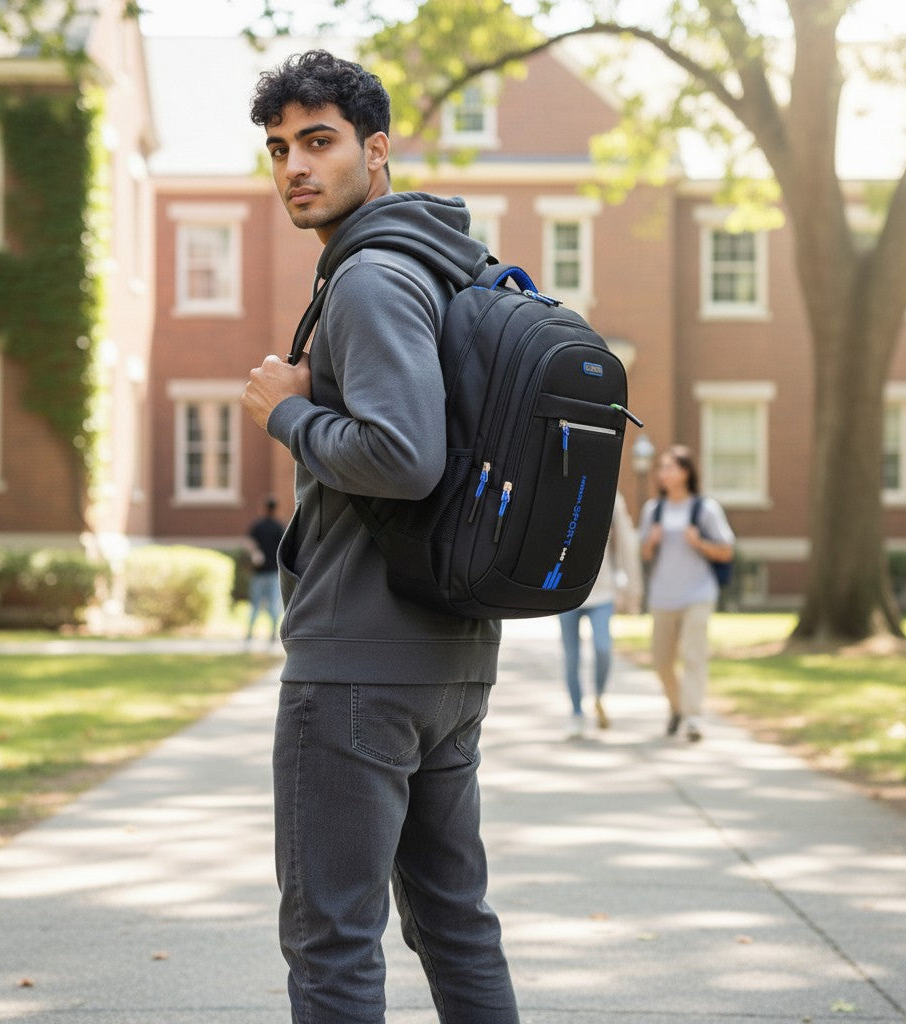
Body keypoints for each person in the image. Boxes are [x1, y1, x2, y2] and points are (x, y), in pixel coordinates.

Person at [241, 50, 518, 1024]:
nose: (293, 169)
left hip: (358, 663)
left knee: (332, 941)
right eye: (277, 149)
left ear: (377, 148)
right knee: (453, 921)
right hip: (448, 652)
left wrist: (285, 410)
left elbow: (405, 457)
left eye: (317, 142)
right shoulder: (452, 266)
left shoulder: (368, 278)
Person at [639, 445, 735, 743]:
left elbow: (726, 550)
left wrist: (699, 543)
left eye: (669, 467)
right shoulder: (653, 510)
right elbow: (643, 553)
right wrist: (652, 542)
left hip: (698, 593)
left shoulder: (705, 509)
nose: (662, 473)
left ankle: (693, 716)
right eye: (660, 468)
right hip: (663, 596)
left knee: (694, 656)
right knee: (662, 661)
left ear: (686, 471)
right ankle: (677, 708)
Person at [558, 490, 641, 739]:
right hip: (566, 592)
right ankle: (576, 712)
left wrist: (632, 590)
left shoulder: (612, 496)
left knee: (603, 647)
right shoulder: (563, 490)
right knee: (571, 656)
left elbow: (626, 543)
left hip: (603, 591)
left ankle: (600, 696)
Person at [244, 496, 285, 646]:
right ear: (275, 509)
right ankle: (273, 634)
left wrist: (255, 553)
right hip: (274, 572)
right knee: (274, 604)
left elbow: (249, 542)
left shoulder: (258, 526)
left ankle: (249, 634)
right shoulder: (279, 527)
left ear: (264, 508)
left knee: (255, 604)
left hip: (259, 572)